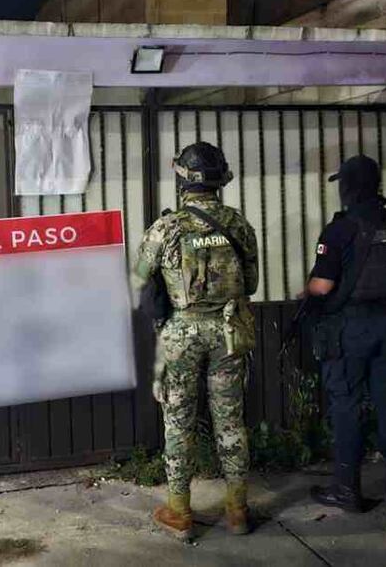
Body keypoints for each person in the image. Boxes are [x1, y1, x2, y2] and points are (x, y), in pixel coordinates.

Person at [132, 142, 260, 540]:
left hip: (181, 336)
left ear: (182, 178)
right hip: (228, 333)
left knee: (178, 422)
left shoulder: (165, 228)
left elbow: (138, 280)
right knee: (231, 422)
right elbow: (251, 284)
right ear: (220, 180)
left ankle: (180, 513)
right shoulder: (238, 225)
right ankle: (238, 511)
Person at [303, 154, 386, 512]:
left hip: (351, 329)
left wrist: (304, 294)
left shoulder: (340, 229)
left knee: (347, 405)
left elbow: (322, 286)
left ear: (348, 187)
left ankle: (348, 490)